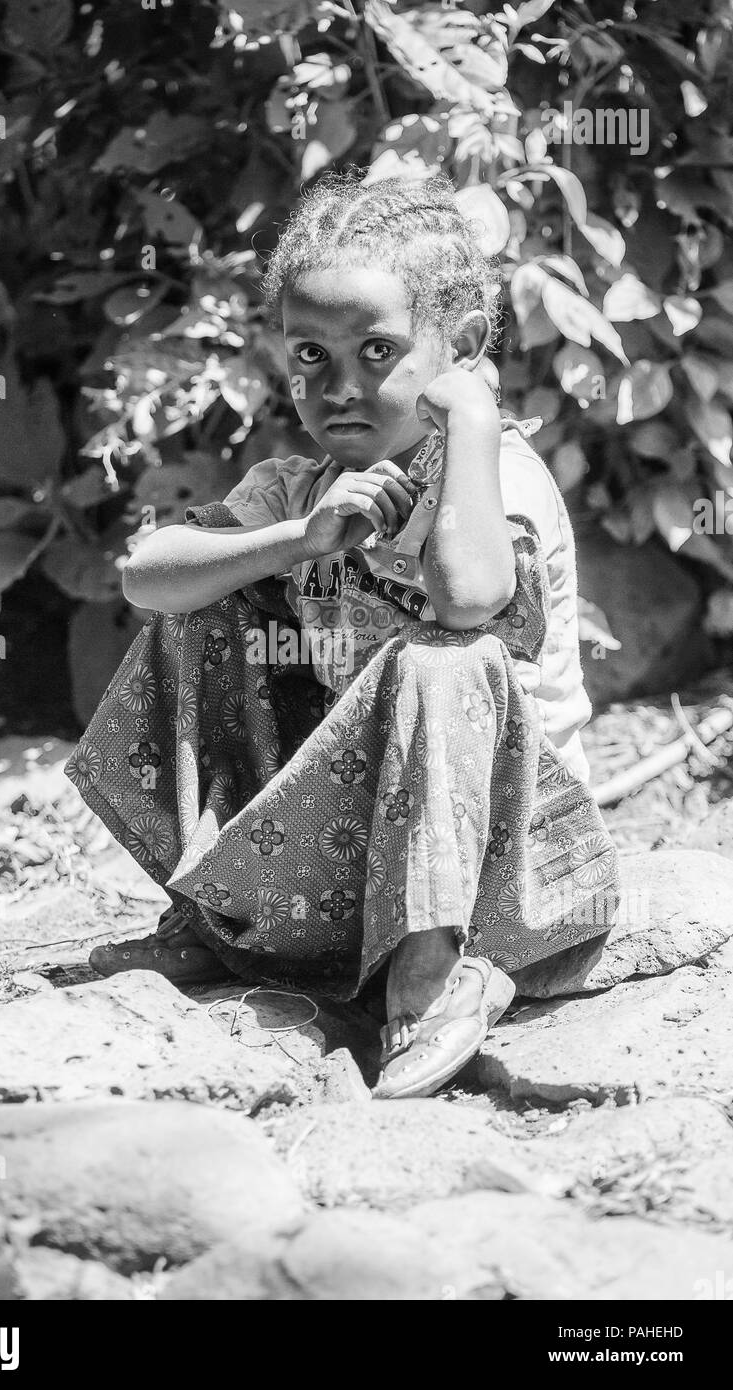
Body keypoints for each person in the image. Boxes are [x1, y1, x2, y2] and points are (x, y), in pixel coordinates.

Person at [65, 170, 619, 1099]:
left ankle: (435, 972)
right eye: (310, 355)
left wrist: (474, 423)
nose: (342, 386)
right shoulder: (299, 487)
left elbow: (472, 598)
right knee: (203, 596)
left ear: (463, 350)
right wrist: (295, 539)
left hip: (500, 864)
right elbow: (143, 576)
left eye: (377, 350)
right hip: (356, 858)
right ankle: (217, 918)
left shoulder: (496, 475)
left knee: (443, 661)